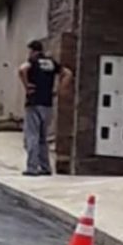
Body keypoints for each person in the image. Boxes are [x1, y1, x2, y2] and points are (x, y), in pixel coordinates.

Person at [18, 40, 73, 176]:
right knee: (43, 137)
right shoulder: (51, 62)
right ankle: (45, 167)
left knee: (32, 136)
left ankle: (32, 167)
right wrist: (60, 90)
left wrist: (27, 86)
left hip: (34, 102)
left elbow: (21, 69)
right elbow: (68, 73)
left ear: (33, 51)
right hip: (47, 103)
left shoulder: (33, 61)